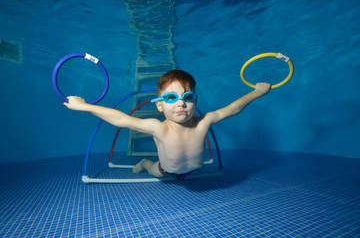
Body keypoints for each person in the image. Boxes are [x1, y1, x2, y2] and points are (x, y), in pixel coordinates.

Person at [64, 70, 270, 180]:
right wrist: (85, 107)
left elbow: (233, 109)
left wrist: (258, 92)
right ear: (160, 106)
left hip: (192, 170)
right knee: (150, 167)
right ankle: (144, 162)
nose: (181, 103)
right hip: (165, 170)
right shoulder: (158, 127)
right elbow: (121, 119)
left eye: (187, 97)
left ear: (195, 102)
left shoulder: (203, 121)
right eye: (171, 98)